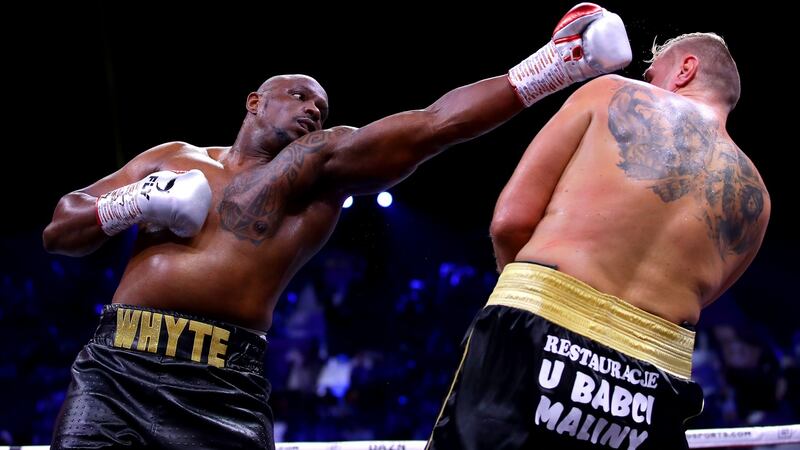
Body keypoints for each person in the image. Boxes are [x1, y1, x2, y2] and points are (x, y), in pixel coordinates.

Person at [41, 4, 631, 449]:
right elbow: (60, 230)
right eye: (299, 97)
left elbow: (432, 126)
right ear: (254, 102)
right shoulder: (172, 157)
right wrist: (130, 203)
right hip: (115, 370)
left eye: (320, 108)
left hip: (223, 385)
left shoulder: (315, 166)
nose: (312, 110)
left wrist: (553, 66)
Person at [426, 32, 769, 450]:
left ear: (686, 68)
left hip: (537, 332)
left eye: (652, 73)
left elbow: (509, 222)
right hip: (651, 381)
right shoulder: (758, 199)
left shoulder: (609, 94)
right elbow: (702, 302)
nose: (645, 81)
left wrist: (529, 296)